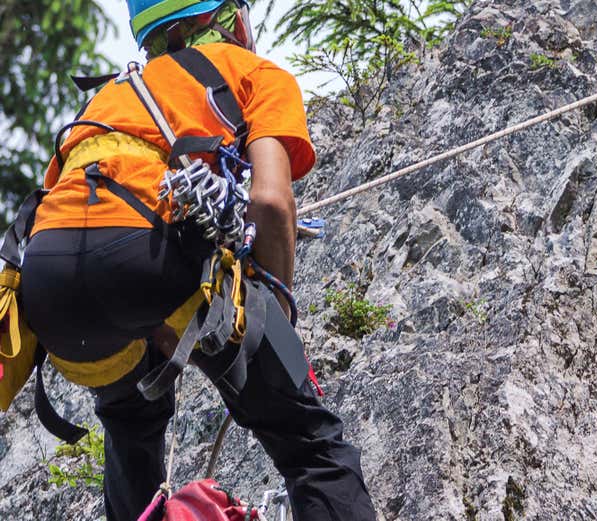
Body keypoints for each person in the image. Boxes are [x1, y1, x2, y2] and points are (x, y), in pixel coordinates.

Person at [18, 1, 376, 520]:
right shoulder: (253, 73)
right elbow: (272, 201)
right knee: (313, 449)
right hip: (141, 251)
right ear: (226, 17)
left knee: (132, 428)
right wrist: (274, 322)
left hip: (49, 284)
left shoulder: (105, 102)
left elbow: (68, 209)